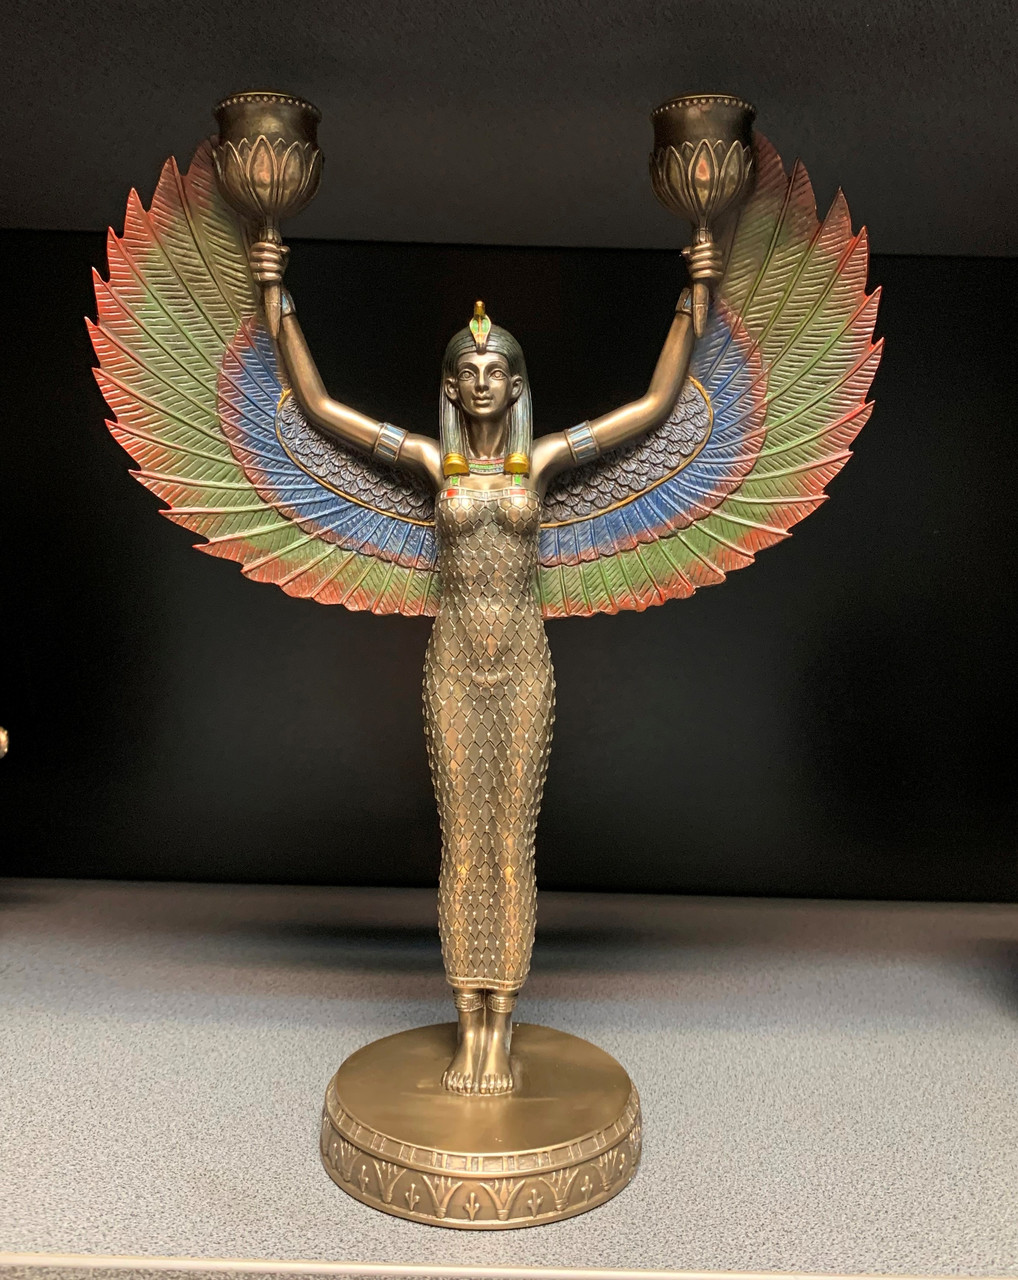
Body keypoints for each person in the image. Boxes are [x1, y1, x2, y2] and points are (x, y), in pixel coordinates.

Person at [249, 239, 721, 1094]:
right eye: (465, 371)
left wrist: (696, 294)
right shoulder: (437, 466)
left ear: (515, 384)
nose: (479, 382)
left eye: (494, 370)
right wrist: (276, 295)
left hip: (525, 669)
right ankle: (468, 1021)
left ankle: (501, 1025)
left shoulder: (543, 463)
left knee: (512, 845)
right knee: (463, 846)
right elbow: (317, 409)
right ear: (449, 387)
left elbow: (654, 407)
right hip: (454, 670)